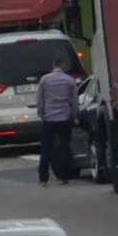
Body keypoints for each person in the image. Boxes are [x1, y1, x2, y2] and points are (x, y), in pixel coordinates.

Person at [34, 54, 79, 186]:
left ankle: (43, 178)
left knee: (46, 148)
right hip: (64, 117)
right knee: (64, 147)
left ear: (53, 65)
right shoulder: (69, 80)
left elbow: (40, 100)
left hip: (49, 118)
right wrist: (73, 115)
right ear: (63, 65)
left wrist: (42, 114)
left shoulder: (45, 80)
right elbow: (74, 100)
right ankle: (64, 176)